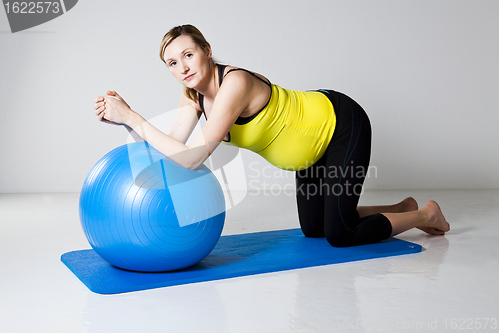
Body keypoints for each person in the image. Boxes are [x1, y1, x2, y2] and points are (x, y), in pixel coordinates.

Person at [93, 24, 450, 247]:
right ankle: (401, 209)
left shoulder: (234, 84)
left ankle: (425, 216)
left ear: (207, 51)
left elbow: (194, 157)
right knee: (314, 230)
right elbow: (174, 150)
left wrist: (135, 117)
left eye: (188, 54)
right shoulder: (195, 96)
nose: (183, 67)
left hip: (339, 125)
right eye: (172, 63)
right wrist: (126, 120)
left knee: (339, 235)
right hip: (310, 152)